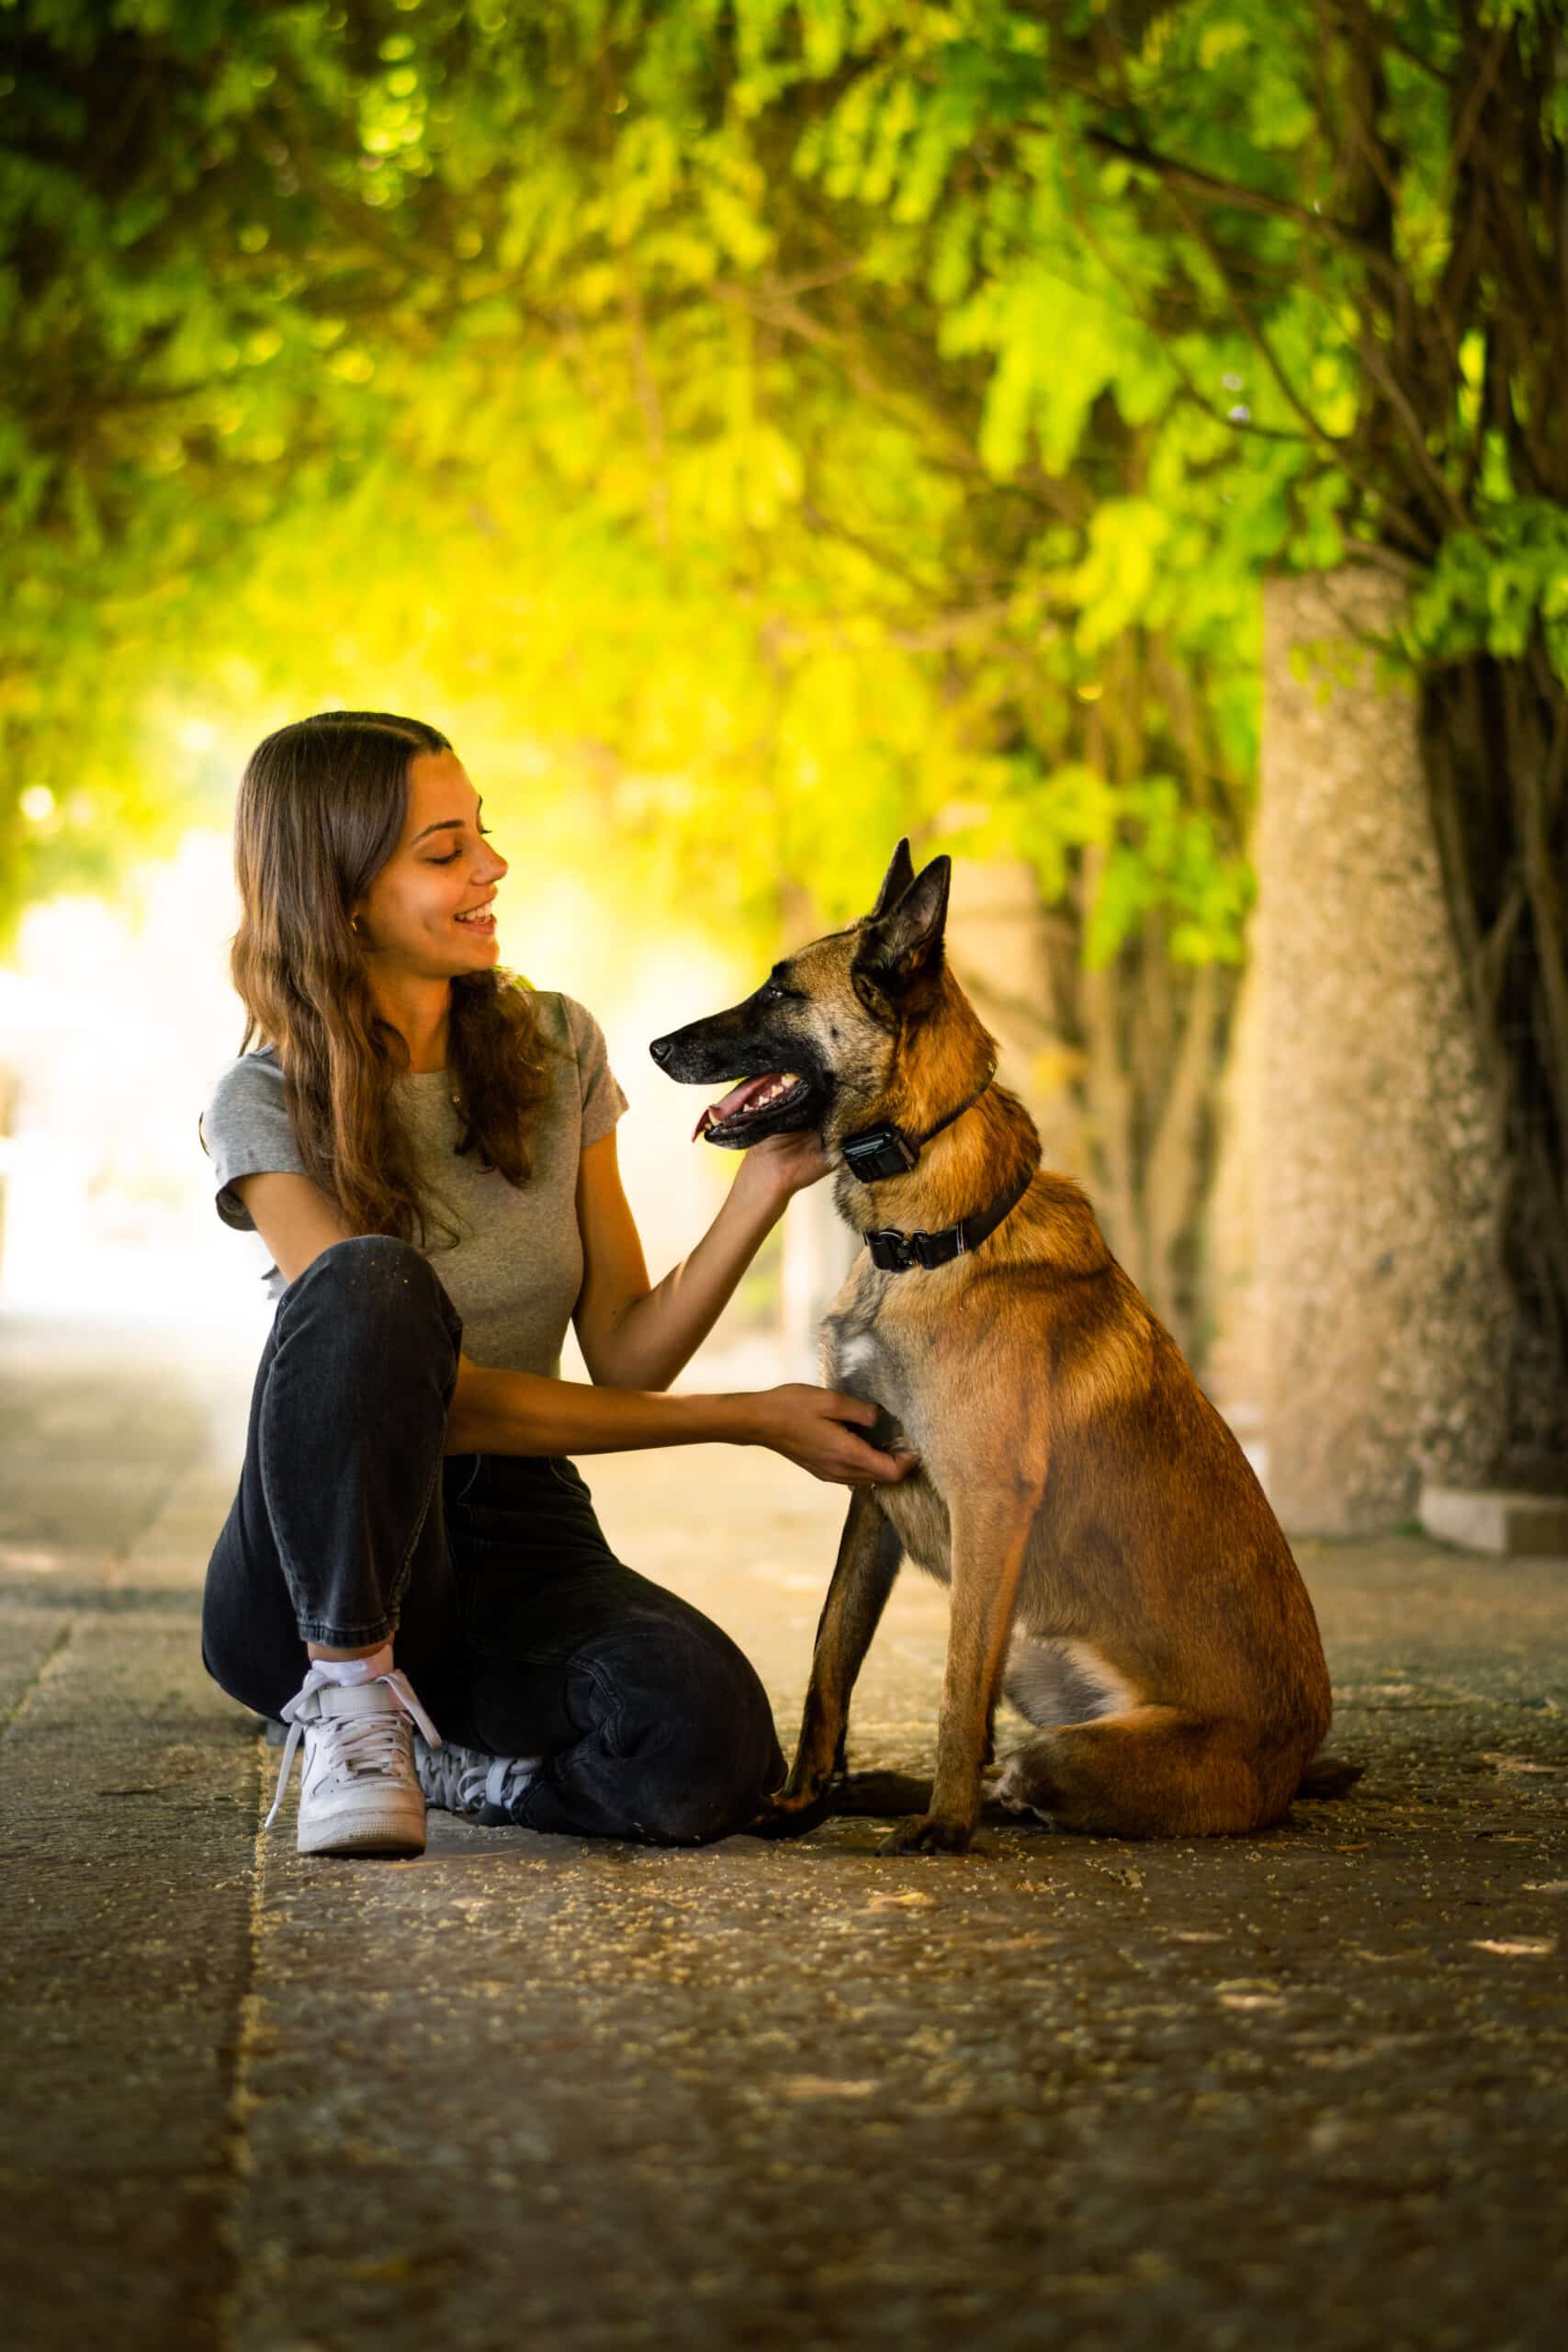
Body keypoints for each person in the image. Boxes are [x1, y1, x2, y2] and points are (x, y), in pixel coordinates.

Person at [197, 710, 910, 1860]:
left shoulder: (558, 1048)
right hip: (323, 1554)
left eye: (482, 833)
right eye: (443, 853)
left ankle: (459, 1773)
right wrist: (749, 1420)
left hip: (522, 1525)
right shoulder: (262, 1103)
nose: (491, 867)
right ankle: (349, 1701)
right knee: (372, 1287)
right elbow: (449, 1399)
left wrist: (763, 1185)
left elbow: (627, 1350)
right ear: (338, 896)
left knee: (711, 1745)